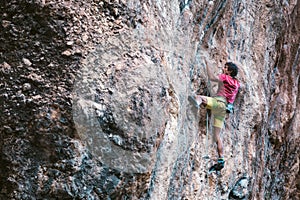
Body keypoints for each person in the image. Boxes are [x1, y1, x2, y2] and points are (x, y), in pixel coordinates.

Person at [188, 60, 241, 171]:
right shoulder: (236, 84)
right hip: (224, 109)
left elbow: (212, 77)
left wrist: (207, 64)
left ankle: (195, 107)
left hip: (218, 103)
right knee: (217, 136)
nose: (223, 69)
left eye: (225, 68)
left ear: (229, 71)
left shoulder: (225, 77)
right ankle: (221, 159)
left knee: (199, 98)